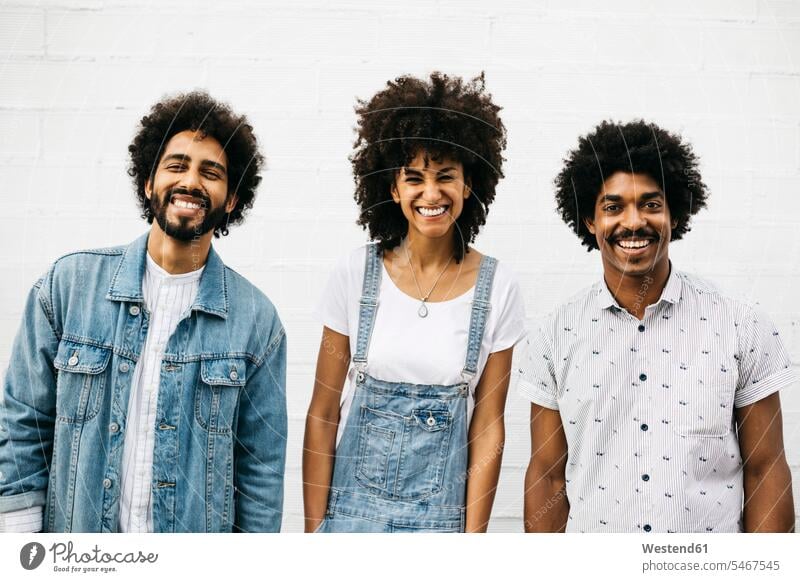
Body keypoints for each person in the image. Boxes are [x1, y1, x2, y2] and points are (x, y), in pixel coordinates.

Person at [0, 91, 287, 533]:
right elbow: (23, 427)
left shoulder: (257, 322)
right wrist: (23, 555)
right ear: (149, 182)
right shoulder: (67, 286)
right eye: (176, 165)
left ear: (231, 199)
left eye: (211, 173)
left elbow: (260, 471)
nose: (191, 181)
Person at [519, 120, 795, 533]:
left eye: (651, 204)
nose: (633, 222)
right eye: (613, 207)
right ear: (590, 221)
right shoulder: (553, 336)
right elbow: (548, 476)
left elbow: (766, 469)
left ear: (676, 214)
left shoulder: (742, 325)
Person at [303, 72, 526, 533]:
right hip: (349, 525)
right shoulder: (354, 275)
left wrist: (472, 540)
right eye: (414, 179)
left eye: (446, 177)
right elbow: (322, 414)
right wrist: (313, 536)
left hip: (441, 527)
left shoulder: (498, 287)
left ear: (469, 185)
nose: (431, 194)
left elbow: (487, 428)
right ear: (392, 187)